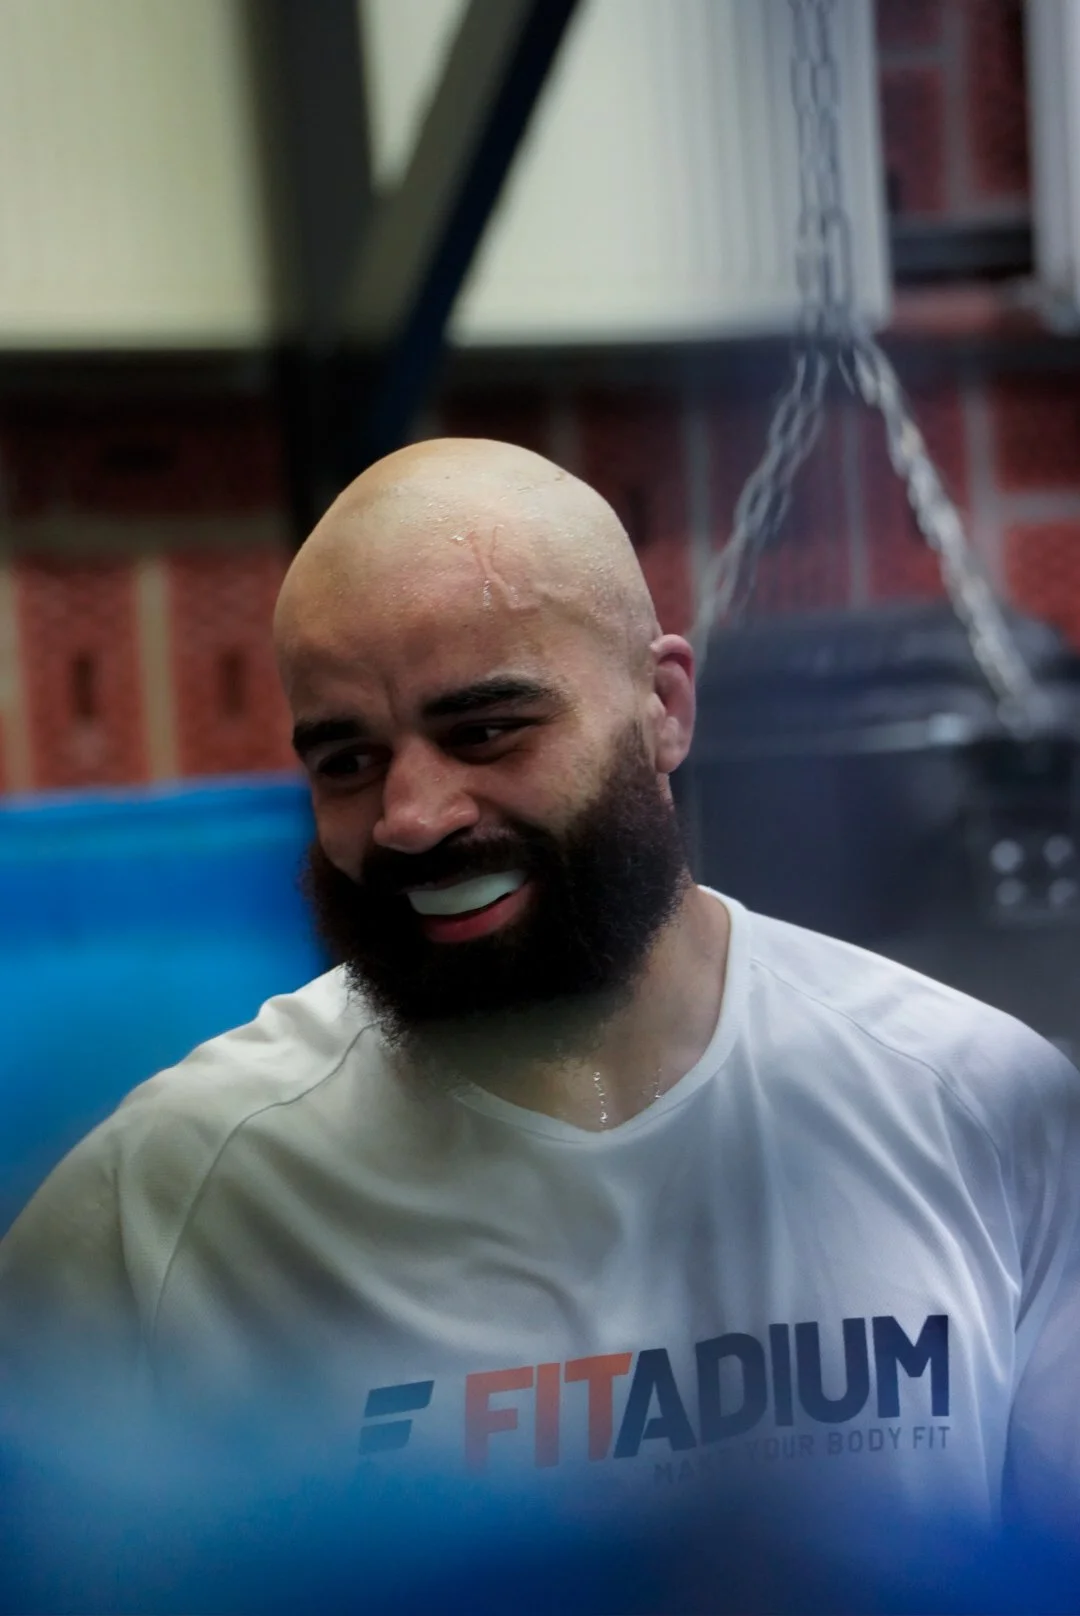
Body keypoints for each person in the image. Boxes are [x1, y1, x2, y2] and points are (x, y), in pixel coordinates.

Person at [1, 438, 1078, 1567]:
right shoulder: (169, 1196)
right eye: (348, 761)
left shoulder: (976, 1107)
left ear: (664, 706)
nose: (412, 816)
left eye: (485, 731)